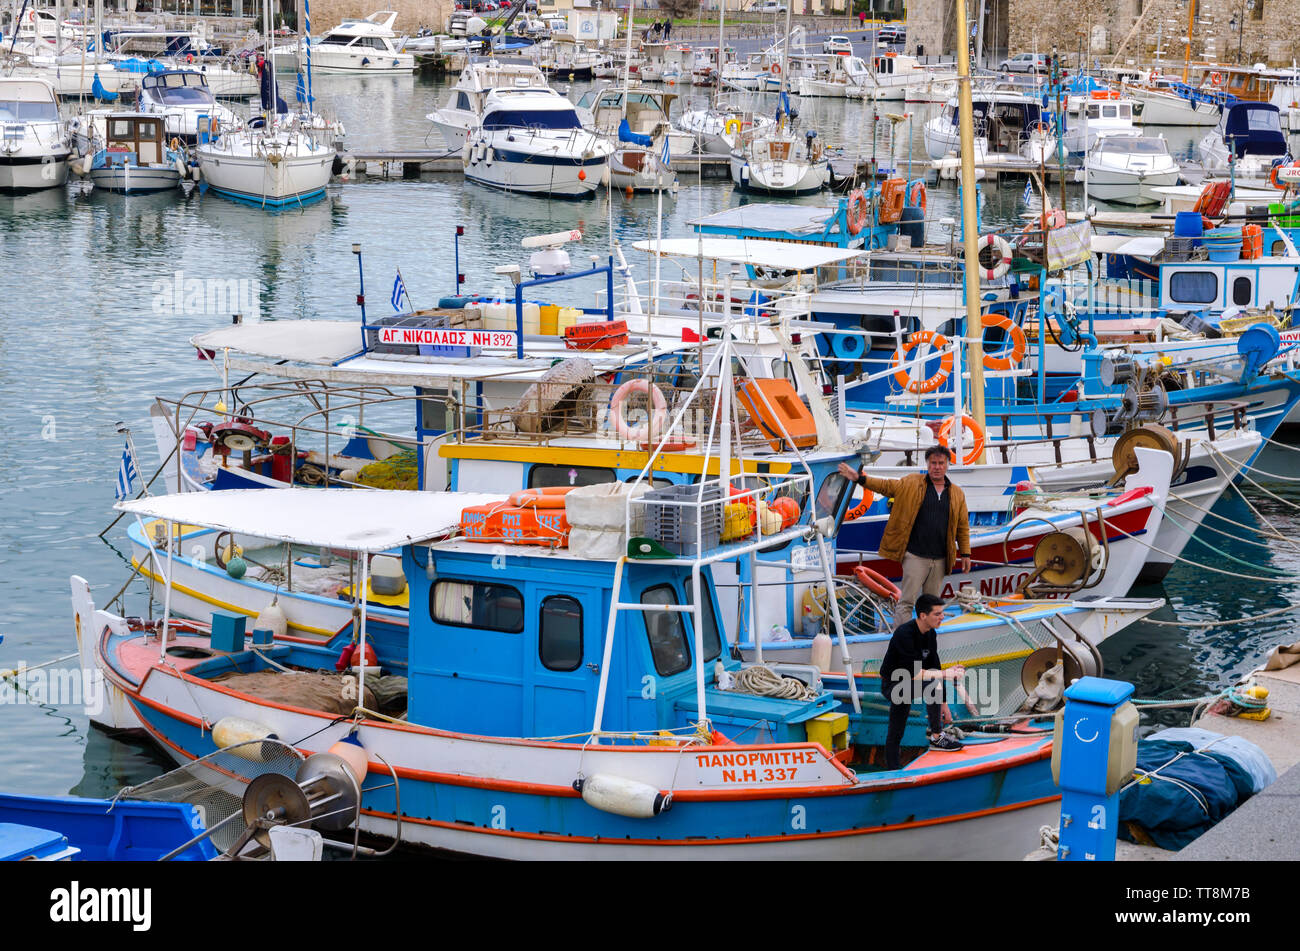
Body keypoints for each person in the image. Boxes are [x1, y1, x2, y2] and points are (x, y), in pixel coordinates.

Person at [838, 445, 971, 629]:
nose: (937, 467)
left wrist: (965, 553)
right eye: (933, 463)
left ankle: (926, 641)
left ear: (948, 465)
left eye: (941, 463)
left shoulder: (957, 494)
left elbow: (963, 526)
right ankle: (903, 641)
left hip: (940, 559)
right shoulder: (911, 483)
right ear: (928, 464)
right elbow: (885, 486)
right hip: (915, 556)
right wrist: (859, 479)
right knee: (907, 601)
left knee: (932, 605)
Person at [879, 593, 965, 769]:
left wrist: (944, 704)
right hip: (894, 685)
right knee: (931, 684)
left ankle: (892, 770)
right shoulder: (904, 634)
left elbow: (934, 667)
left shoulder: (930, 634)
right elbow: (913, 674)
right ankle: (936, 736)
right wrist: (946, 674)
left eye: (942, 613)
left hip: (910, 683)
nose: (942, 617)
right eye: (937, 614)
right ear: (922, 615)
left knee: (896, 730)